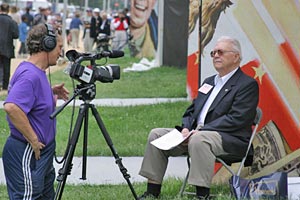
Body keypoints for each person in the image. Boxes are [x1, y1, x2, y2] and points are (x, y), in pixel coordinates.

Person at [138, 36, 259, 199]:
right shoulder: (209, 82)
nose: (216, 55)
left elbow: (238, 119)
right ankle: (152, 191)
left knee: (199, 139)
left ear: (236, 57)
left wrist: (200, 131)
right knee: (156, 134)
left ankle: (202, 195)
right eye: (214, 52)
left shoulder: (247, 84)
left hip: (230, 139)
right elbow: (191, 111)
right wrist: (187, 128)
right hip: (196, 134)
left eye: (221, 52)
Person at [2, 23, 69, 199]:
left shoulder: (37, 72)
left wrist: (50, 92)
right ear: (47, 44)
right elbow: (12, 107)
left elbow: (31, 102)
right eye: (59, 47)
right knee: (28, 196)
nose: (61, 52)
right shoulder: (29, 75)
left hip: (41, 153)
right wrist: (33, 139)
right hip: (27, 151)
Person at [0, 3, 19, 90]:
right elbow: (16, 35)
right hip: (7, 47)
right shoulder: (12, 22)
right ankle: (4, 86)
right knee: (6, 67)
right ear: (8, 11)